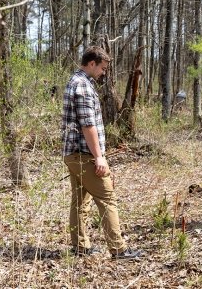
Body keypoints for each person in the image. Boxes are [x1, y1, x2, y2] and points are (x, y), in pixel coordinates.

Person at [61, 46, 142, 259]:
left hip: (74, 154)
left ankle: (80, 246)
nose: (103, 73)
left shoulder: (75, 82)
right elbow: (88, 126)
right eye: (102, 68)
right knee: (107, 198)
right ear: (91, 64)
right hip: (84, 154)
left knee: (79, 200)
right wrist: (99, 157)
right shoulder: (83, 87)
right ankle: (119, 249)